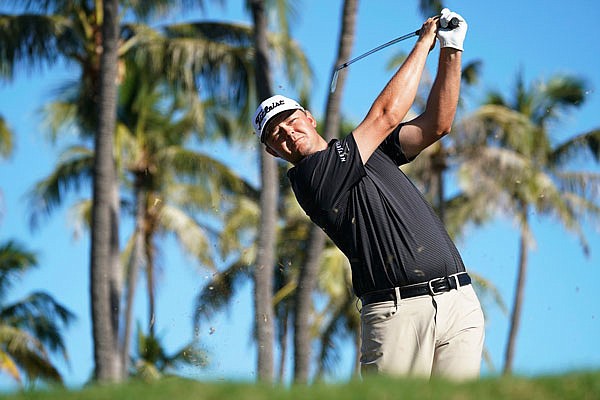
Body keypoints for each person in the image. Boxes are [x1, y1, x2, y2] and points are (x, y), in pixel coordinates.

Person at [251, 9, 484, 380]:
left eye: (291, 121)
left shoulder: (370, 151)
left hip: (459, 302)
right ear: (272, 152)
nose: (287, 133)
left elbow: (437, 124)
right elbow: (386, 115)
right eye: (275, 135)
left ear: (309, 117)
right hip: (395, 316)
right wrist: (425, 42)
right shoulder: (313, 179)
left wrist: (451, 49)